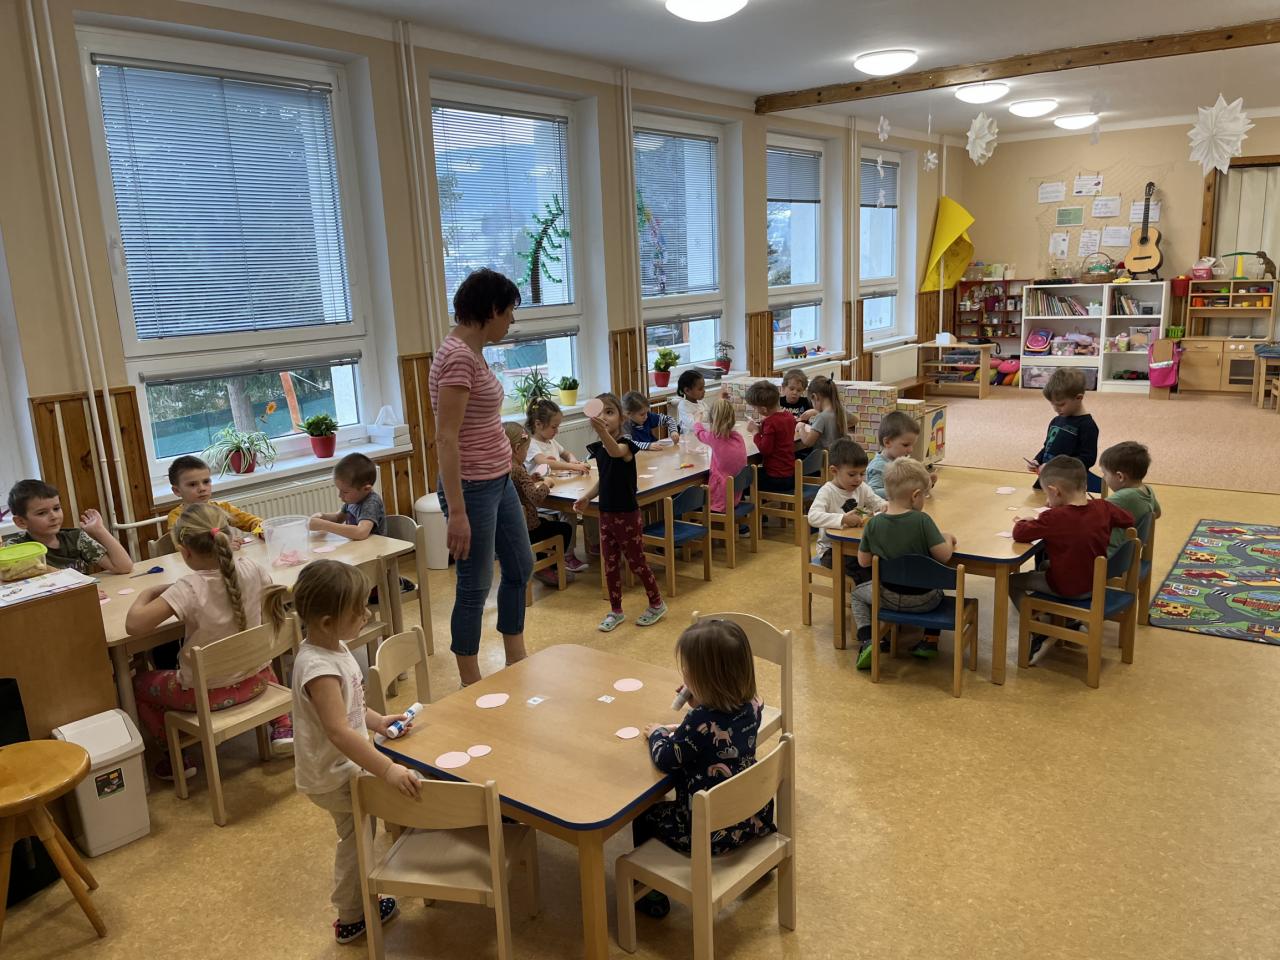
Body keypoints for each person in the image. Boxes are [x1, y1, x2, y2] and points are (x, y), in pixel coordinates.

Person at [288, 560, 420, 945]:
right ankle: (350, 915)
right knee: (356, 840)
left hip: (345, 766)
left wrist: (377, 722)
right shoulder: (317, 668)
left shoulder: (334, 647)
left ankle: (359, 901)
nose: (367, 615)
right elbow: (339, 731)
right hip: (333, 775)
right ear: (327, 622)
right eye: (358, 611)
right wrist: (387, 769)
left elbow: (352, 709)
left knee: (361, 833)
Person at [123, 503, 293, 779]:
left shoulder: (188, 587)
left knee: (137, 684)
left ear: (185, 551)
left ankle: (176, 756)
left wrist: (148, 593)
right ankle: (283, 725)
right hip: (258, 680)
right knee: (248, 646)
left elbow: (134, 625)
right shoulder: (253, 568)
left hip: (206, 696)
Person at [428, 269, 534, 685]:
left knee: (520, 565)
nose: (511, 321)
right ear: (491, 310)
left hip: (498, 479)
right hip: (471, 488)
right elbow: (446, 438)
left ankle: (516, 656)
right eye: (508, 312)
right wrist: (456, 512)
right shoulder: (457, 357)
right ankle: (469, 680)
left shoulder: (473, 352)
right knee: (474, 585)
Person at [631, 619, 777, 919]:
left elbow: (666, 757)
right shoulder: (753, 706)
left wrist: (658, 733)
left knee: (644, 816)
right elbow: (721, 724)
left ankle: (650, 893)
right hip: (752, 817)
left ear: (705, 679)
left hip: (707, 832)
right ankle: (760, 858)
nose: (684, 675)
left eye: (688, 671)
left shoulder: (698, 721)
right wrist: (701, 702)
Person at [1011, 455, 1134, 664]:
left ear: (1055, 491)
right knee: (1045, 565)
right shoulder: (1104, 507)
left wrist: (1028, 520)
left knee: (1013, 582)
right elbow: (1128, 519)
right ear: (1084, 485)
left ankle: (1035, 626)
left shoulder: (1054, 518)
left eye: (1048, 494)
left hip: (1069, 587)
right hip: (1096, 581)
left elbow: (1020, 533)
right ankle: (1063, 619)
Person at [573, 393, 667, 633]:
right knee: (610, 564)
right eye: (600, 413)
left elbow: (616, 451)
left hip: (627, 515)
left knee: (636, 562)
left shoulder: (626, 444)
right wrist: (587, 497)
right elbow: (604, 480)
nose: (604, 417)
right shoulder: (600, 450)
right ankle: (616, 610)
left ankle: (657, 603)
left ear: (622, 417)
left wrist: (602, 432)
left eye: (609, 412)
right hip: (606, 514)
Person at [853, 458, 957, 669]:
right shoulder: (922, 521)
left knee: (857, 595)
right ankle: (929, 640)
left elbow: (863, 562)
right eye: (924, 496)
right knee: (939, 584)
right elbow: (944, 556)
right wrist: (947, 538)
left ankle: (867, 639)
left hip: (887, 597)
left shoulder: (874, 524)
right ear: (915, 495)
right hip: (925, 601)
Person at [504, 423, 587, 584]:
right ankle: (550, 567)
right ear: (517, 449)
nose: (527, 454)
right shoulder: (518, 469)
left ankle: (546, 566)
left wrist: (531, 479)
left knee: (545, 523)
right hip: (528, 528)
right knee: (564, 529)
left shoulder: (506, 468)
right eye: (526, 450)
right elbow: (536, 498)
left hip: (512, 528)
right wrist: (546, 484)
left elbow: (519, 487)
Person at [4, 479, 132, 574]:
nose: (54, 516)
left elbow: (124, 567)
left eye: (56, 508)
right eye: (42, 513)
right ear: (21, 522)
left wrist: (99, 530)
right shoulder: (16, 547)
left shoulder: (75, 538)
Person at [807, 438, 885, 584]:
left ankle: (876, 591)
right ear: (834, 471)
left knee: (879, 560)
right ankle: (865, 594)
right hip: (831, 550)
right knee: (863, 568)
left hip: (856, 545)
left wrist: (888, 507)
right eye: (852, 474)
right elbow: (812, 517)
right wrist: (842, 519)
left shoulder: (861, 488)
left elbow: (878, 503)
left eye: (862, 474)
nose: (858, 479)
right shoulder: (827, 491)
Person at [1027, 368, 1102, 493]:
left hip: (1068, 483)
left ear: (1079, 398)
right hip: (1048, 478)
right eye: (1053, 404)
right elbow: (1047, 448)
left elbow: (1088, 459)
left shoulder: (1087, 425)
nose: (1056, 409)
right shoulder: (1056, 421)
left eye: (1061, 404)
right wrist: (1037, 460)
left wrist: (1057, 467)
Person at [165, 455, 264, 537]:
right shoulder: (176, 517)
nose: (202, 488)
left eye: (206, 482)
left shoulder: (223, 508)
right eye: (192, 484)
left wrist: (261, 531)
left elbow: (252, 522)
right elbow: (182, 543)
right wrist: (224, 543)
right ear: (177, 491)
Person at [1099, 441, 1161, 555]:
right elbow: (1157, 513)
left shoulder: (1124, 497)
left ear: (1120, 477)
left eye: (1105, 474)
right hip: (1128, 555)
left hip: (1109, 556)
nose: (1104, 478)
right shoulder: (1147, 491)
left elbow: (1093, 513)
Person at [309, 453, 385, 541]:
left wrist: (324, 525)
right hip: (359, 546)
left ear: (366, 489)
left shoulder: (371, 503)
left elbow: (361, 532)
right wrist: (322, 517)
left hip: (375, 547)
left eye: (345, 492)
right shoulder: (353, 501)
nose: (340, 495)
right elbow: (338, 518)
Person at [692, 398, 748, 516]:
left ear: (712, 420)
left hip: (721, 498)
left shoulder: (715, 438)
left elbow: (699, 433)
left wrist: (697, 421)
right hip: (736, 496)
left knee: (693, 499)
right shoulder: (738, 437)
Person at [865, 411, 934, 499]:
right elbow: (872, 492)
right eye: (905, 445)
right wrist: (903, 491)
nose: (911, 450)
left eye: (912, 445)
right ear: (887, 442)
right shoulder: (878, 466)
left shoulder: (900, 460)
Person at [744, 380, 797, 494]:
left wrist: (755, 432)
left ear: (764, 409)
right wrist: (763, 428)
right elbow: (780, 434)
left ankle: (756, 506)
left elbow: (765, 450)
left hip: (776, 478)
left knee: (743, 482)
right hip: (790, 475)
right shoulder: (789, 416)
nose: (756, 410)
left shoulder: (771, 423)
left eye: (756, 408)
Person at [524, 398, 590, 475]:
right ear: (538, 424)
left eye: (557, 427)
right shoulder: (530, 444)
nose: (557, 431)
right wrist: (572, 466)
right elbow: (544, 462)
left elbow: (566, 454)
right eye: (554, 427)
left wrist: (573, 461)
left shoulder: (551, 441)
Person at [797, 376, 852, 452]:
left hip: (823, 458)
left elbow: (808, 442)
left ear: (815, 397)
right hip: (839, 456)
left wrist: (801, 427)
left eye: (811, 401)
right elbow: (855, 420)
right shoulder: (840, 411)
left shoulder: (821, 417)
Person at [673, 370, 709, 435]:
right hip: (689, 438)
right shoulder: (683, 406)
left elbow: (711, 417)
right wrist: (710, 426)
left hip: (702, 435)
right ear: (687, 390)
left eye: (704, 387)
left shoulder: (701, 403)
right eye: (700, 389)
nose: (704, 391)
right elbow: (693, 426)